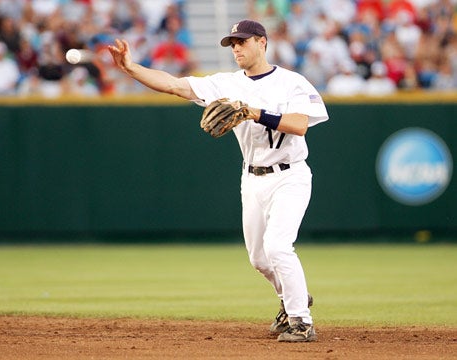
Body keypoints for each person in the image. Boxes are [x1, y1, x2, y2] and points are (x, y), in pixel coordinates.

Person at [108, 19, 329, 342]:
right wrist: (131, 68)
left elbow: (299, 125)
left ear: (262, 42)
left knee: (278, 247)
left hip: (289, 175)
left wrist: (253, 112)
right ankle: (293, 298)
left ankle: (301, 321)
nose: (236, 48)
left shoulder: (292, 83)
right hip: (252, 178)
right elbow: (173, 84)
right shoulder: (226, 83)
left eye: (242, 41)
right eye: (232, 43)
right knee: (259, 259)